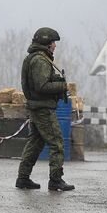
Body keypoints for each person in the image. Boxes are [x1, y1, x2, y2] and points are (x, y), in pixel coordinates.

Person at [16, 27, 75, 191]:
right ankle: (56, 180)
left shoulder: (34, 58)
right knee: (57, 143)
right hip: (43, 108)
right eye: (53, 42)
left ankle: (23, 178)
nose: (55, 46)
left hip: (37, 107)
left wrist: (55, 80)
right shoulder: (40, 60)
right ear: (46, 43)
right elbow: (41, 86)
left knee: (35, 143)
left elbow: (39, 83)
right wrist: (62, 85)